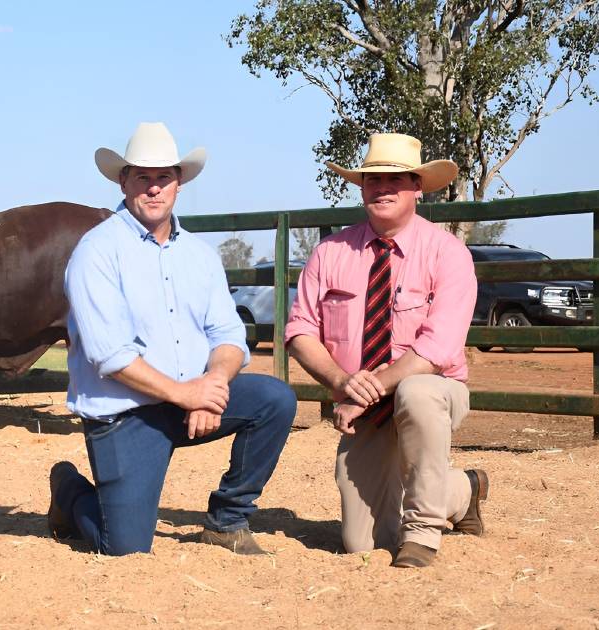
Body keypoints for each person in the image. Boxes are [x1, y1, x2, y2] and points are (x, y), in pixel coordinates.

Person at [45, 122, 298, 556]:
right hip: (127, 414)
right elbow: (111, 356)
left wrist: (212, 386)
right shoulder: (96, 251)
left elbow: (229, 334)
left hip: (189, 399)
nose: (154, 188)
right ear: (123, 181)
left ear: (179, 183)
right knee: (124, 548)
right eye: (142, 177)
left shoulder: (199, 255)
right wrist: (186, 395)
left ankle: (228, 518)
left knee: (275, 399)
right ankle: (70, 494)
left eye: (164, 177)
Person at [284, 133, 488, 568]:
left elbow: (435, 349)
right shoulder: (329, 253)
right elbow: (300, 330)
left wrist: (366, 389)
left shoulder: (448, 254)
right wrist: (342, 382)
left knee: (417, 392)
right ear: (361, 188)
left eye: (396, 179)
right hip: (365, 404)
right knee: (362, 542)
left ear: (418, 187)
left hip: (434, 392)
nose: (383, 188)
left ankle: (423, 534)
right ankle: (463, 489)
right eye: (373, 179)